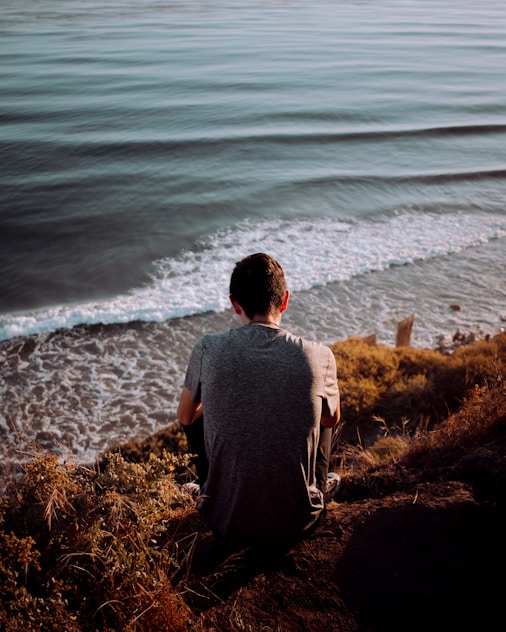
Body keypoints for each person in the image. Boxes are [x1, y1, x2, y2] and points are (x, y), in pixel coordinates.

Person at [177, 253, 341, 551]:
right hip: (300, 521)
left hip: (223, 523)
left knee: (196, 417)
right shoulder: (320, 355)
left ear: (234, 303)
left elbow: (186, 417)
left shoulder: (207, 348)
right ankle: (318, 486)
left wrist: (218, 402)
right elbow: (331, 419)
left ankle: (207, 492)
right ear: (285, 300)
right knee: (324, 413)